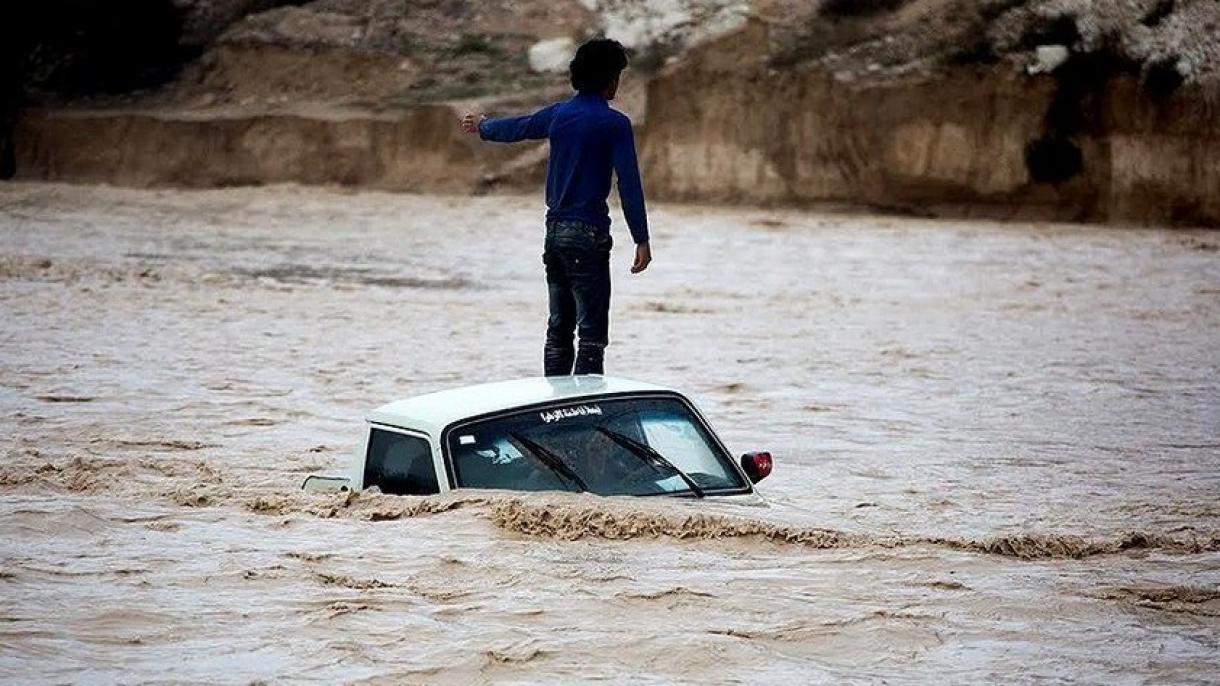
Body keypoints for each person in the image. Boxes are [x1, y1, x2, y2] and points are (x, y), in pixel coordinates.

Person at [460, 38, 651, 376]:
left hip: (554, 235)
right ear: (609, 78)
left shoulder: (559, 115)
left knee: (558, 332)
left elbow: (519, 127)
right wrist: (641, 239)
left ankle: (552, 406)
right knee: (591, 337)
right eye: (617, 76)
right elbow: (630, 184)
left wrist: (483, 126)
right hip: (588, 236)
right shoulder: (615, 124)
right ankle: (584, 411)